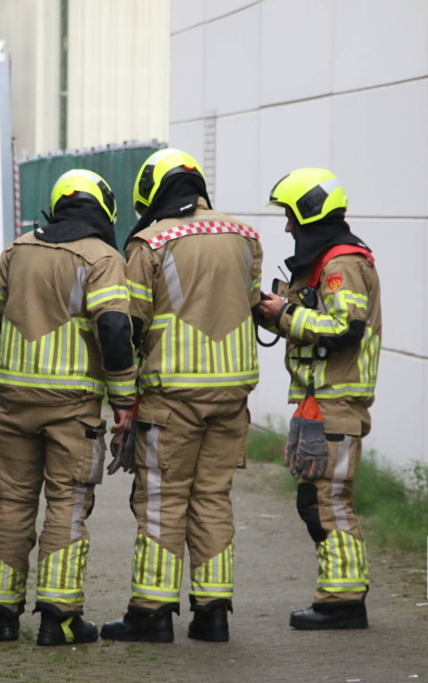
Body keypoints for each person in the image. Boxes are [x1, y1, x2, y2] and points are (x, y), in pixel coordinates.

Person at [100, 149, 263, 643]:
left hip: (171, 397)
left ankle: (151, 614)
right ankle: (213, 614)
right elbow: (252, 302)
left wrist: (122, 391)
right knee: (212, 498)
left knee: (162, 501)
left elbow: (132, 321)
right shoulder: (245, 236)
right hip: (231, 394)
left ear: (152, 191)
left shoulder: (150, 242)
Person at [0, 169, 136, 646]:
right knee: (67, 504)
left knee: (13, 501)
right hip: (71, 405)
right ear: (105, 209)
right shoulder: (103, 258)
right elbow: (114, 327)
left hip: (13, 399)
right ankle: (58, 619)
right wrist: (123, 399)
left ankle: (2, 615)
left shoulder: (16, 250)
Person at [257, 168, 381, 630]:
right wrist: (271, 311)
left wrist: (286, 313)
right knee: (315, 501)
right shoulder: (325, 261)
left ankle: (343, 602)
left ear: (310, 213)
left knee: (329, 502)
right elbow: (310, 318)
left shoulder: (341, 262)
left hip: (337, 403)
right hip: (320, 401)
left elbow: (345, 329)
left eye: (290, 215)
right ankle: (338, 596)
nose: (288, 226)